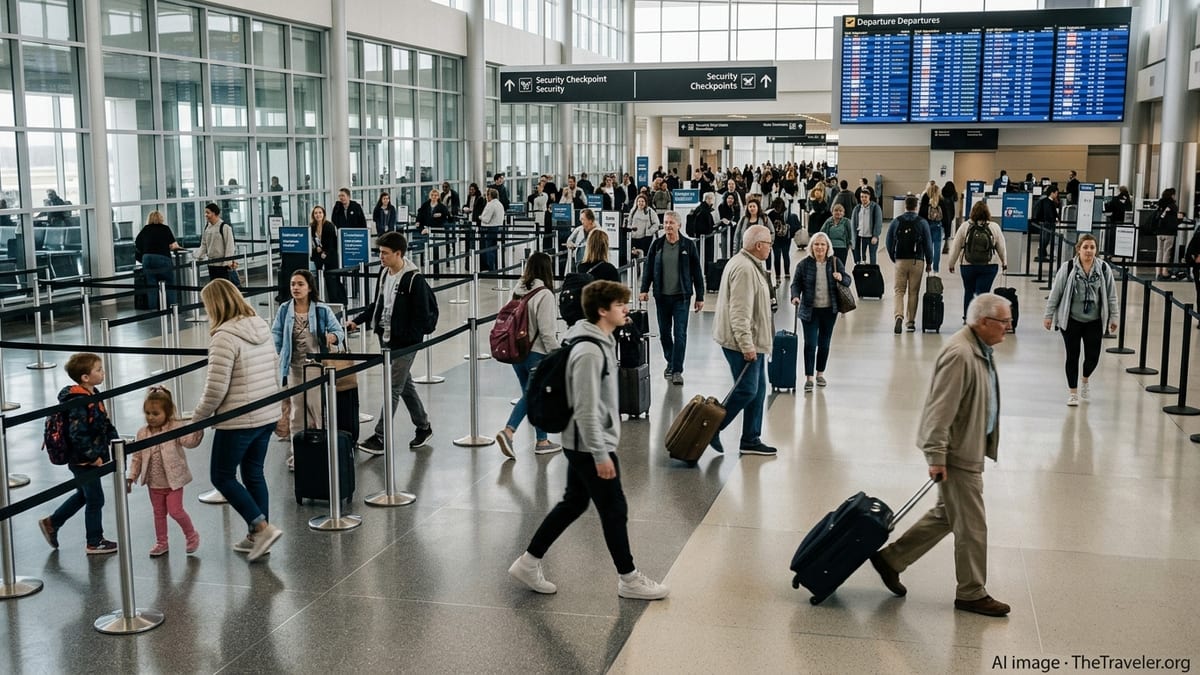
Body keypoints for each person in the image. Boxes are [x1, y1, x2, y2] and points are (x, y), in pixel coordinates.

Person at [508, 280, 670, 601]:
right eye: (619, 305)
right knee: (614, 509)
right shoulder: (588, 352)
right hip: (588, 444)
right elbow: (585, 410)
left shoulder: (600, 341)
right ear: (601, 311)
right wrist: (600, 454)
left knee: (574, 503)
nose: (626, 309)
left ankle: (529, 561)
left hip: (584, 442)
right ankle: (628, 577)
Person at [868, 293, 1013, 617]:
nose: (1009, 327)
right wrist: (936, 454)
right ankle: (971, 592)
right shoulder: (961, 354)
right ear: (983, 322)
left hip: (967, 446)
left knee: (947, 514)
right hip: (957, 453)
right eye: (1004, 321)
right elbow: (939, 408)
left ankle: (891, 559)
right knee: (972, 526)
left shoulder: (979, 350)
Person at [193, 279, 283, 562]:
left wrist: (197, 420)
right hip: (266, 412)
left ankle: (260, 526)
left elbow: (216, 389)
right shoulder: (260, 324)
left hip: (239, 418)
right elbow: (274, 368)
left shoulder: (223, 336)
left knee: (221, 475)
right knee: (254, 472)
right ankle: (258, 535)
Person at [347, 232, 436, 452]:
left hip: (405, 343)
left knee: (393, 387)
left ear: (399, 253)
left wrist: (409, 340)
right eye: (380, 253)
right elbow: (378, 304)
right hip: (386, 338)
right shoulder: (385, 274)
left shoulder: (413, 279)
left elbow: (422, 316)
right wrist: (357, 321)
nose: (381, 257)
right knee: (404, 385)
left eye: (385, 253)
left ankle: (380, 437)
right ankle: (423, 426)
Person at [37, 353, 121, 555]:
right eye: (99, 370)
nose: (103, 373)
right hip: (83, 460)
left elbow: (102, 422)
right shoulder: (79, 402)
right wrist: (93, 456)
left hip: (87, 458)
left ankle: (52, 522)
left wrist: (116, 439)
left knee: (84, 495)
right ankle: (94, 540)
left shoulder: (92, 394)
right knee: (95, 499)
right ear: (85, 377)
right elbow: (78, 434)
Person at [711, 225, 777, 457]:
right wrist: (747, 345)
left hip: (753, 340)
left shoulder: (750, 264)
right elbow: (739, 313)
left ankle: (750, 438)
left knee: (758, 390)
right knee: (748, 389)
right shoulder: (745, 269)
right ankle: (712, 427)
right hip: (741, 342)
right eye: (769, 243)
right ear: (758, 246)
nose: (771, 247)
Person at [272, 270, 345, 463]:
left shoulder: (321, 310)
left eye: (300, 284)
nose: (295, 288)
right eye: (293, 284)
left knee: (316, 409)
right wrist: (276, 357)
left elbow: (339, 330)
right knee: (297, 411)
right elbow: (276, 335)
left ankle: (321, 449)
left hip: (316, 368)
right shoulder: (285, 309)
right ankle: (298, 453)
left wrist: (333, 337)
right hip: (293, 367)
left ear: (310, 287)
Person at [496, 252, 562, 459]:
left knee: (533, 395)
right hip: (536, 354)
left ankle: (542, 440)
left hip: (516, 352)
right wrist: (559, 355)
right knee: (533, 395)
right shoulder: (545, 295)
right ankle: (508, 431)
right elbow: (547, 333)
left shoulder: (518, 289)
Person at [127, 386, 204, 557]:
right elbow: (137, 457)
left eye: (155, 414)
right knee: (159, 513)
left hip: (174, 481)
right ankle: (162, 542)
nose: (151, 417)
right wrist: (131, 476)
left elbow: (189, 442)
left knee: (176, 510)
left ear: (167, 413)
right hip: (154, 482)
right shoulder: (142, 433)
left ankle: (191, 535)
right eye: (147, 413)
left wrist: (199, 428)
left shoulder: (175, 427)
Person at [1043, 234, 1119, 406]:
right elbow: (1056, 293)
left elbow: (1112, 295)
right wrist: (1048, 316)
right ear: (1078, 249)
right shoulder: (1068, 267)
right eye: (1085, 247)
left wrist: (1114, 317)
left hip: (1094, 321)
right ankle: (1073, 392)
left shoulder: (1104, 269)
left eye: (1092, 247)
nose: (1089, 251)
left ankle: (1084, 379)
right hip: (1071, 320)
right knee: (1073, 355)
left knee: (1093, 357)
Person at [640, 211, 705, 385]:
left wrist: (700, 296)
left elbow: (697, 272)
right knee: (664, 334)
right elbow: (648, 268)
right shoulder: (657, 245)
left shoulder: (688, 245)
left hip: (681, 297)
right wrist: (644, 289)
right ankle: (670, 360)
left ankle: (677, 370)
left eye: (671, 223)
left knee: (680, 334)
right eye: (666, 223)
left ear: (679, 225)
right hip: (662, 297)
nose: (668, 226)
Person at [789, 231, 851, 393]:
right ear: (811, 247)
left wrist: (840, 278)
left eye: (823, 244)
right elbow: (795, 284)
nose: (819, 247)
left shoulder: (835, 262)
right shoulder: (803, 265)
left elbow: (848, 280)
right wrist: (795, 296)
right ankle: (809, 377)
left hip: (830, 310)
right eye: (816, 244)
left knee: (824, 344)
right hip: (809, 310)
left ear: (828, 247)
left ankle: (820, 374)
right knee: (810, 344)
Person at [948, 201, 1007, 322]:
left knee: (968, 291)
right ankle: (981, 319)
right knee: (983, 294)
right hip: (989, 266)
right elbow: (1001, 246)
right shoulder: (994, 227)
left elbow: (956, 246)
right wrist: (1004, 262)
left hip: (968, 265)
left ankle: (967, 318)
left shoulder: (965, 226)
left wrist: (951, 263)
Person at [886, 195, 935, 334]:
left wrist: (893, 257)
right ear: (916, 206)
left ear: (905, 206)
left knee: (899, 291)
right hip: (917, 261)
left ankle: (898, 316)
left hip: (900, 260)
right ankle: (910, 322)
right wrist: (929, 262)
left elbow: (889, 242)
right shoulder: (922, 222)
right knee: (913, 292)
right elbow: (928, 244)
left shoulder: (897, 221)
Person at [134, 210, 183, 309]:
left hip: (147, 259)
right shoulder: (165, 228)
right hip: (162, 258)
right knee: (169, 283)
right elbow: (174, 246)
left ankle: (153, 308)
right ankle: (172, 307)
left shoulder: (145, 229)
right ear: (161, 218)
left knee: (151, 285)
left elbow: (137, 244)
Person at [309, 205, 347, 305]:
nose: (318, 215)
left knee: (332, 280)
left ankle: (337, 301)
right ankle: (319, 299)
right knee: (318, 279)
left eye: (320, 212)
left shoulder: (329, 226)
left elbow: (332, 243)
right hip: (318, 257)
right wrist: (316, 249)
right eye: (316, 213)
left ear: (324, 214)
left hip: (330, 256)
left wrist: (325, 252)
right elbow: (312, 242)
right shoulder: (312, 227)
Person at [197, 203, 238, 284]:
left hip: (222, 265)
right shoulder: (207, 228)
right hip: (211, 264)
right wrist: (198, 257)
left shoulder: (224, 227)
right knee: (215, 287)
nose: (206, 215)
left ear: (214, 213)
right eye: (205, 213)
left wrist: (227, 263)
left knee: (224, 288)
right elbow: (204, 245)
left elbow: (230, 246)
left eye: (208, 213)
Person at [919, 182, 950, 272]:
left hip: (927, 226)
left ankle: (929, 265)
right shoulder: (941, 199)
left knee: (928, 246)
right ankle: (936, 269)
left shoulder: (925, 198)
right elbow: (946, 217)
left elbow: (921, 214)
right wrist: (947, 233)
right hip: (938, 225)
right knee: (937, 247)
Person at [851, 190, 883, 265]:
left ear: (869, 197)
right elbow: (853, 223)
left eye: (865, 197)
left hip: (871, 236)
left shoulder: (875, 207)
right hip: (860, 236)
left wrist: (875, 235)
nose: (863, 199)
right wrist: (853, 237)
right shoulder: (857, 208)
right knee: (861, 257)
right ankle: (862, 272)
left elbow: (878, 222)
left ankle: (873, 271)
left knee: (872, 255)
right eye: (862, 197)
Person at [1154, 188, 1180, 280]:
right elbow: (1176, 219)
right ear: (1172, 195)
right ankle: (1165, 271)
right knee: (1167, 252)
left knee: (1159, 251)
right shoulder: (1173, 206)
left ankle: (1158, 271)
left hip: (1159, 231)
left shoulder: (1160, 204)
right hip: (1169, 232)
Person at [478, 187, 506, 272]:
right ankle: (498, 267)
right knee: (497, 249)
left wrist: (480, 217)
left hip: (490, 228)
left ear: (489, 196)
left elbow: (486, 219)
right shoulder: (500, 204)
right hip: (499, 228)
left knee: (489, 249)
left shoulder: (490, 204)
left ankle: (491, 268)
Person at [819, 202, 853, 268]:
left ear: (843, 213)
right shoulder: (828, 221)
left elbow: (851, 234)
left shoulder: (846, 222)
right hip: (830, 247)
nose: (838, 212)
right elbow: (822, 233)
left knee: (840, 267)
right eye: (836, 210)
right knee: (830, 267)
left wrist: (850, 244)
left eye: (840, 211)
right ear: (832, 212)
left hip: (842, 247)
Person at [688, 192, 718, 265]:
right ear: (707, 199)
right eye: (711, 199)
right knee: (706, 257)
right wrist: (713, 228)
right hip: (705, 238)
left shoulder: (701, 208)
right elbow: (705, 225)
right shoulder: (704, 210)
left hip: (702, 237)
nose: (713, 201)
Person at [1033, 187, 1061, 263]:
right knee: (1045, 239)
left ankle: (1043, 254)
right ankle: (1042, 255)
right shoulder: (1048, 202)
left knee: (1045, 239)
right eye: (1056, 193)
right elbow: (1049, 213)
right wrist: (1054, 220)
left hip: (1045, 223)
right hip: (1047, 223)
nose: (1056, 195)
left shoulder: (1046, 201)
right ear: (1052, 193)